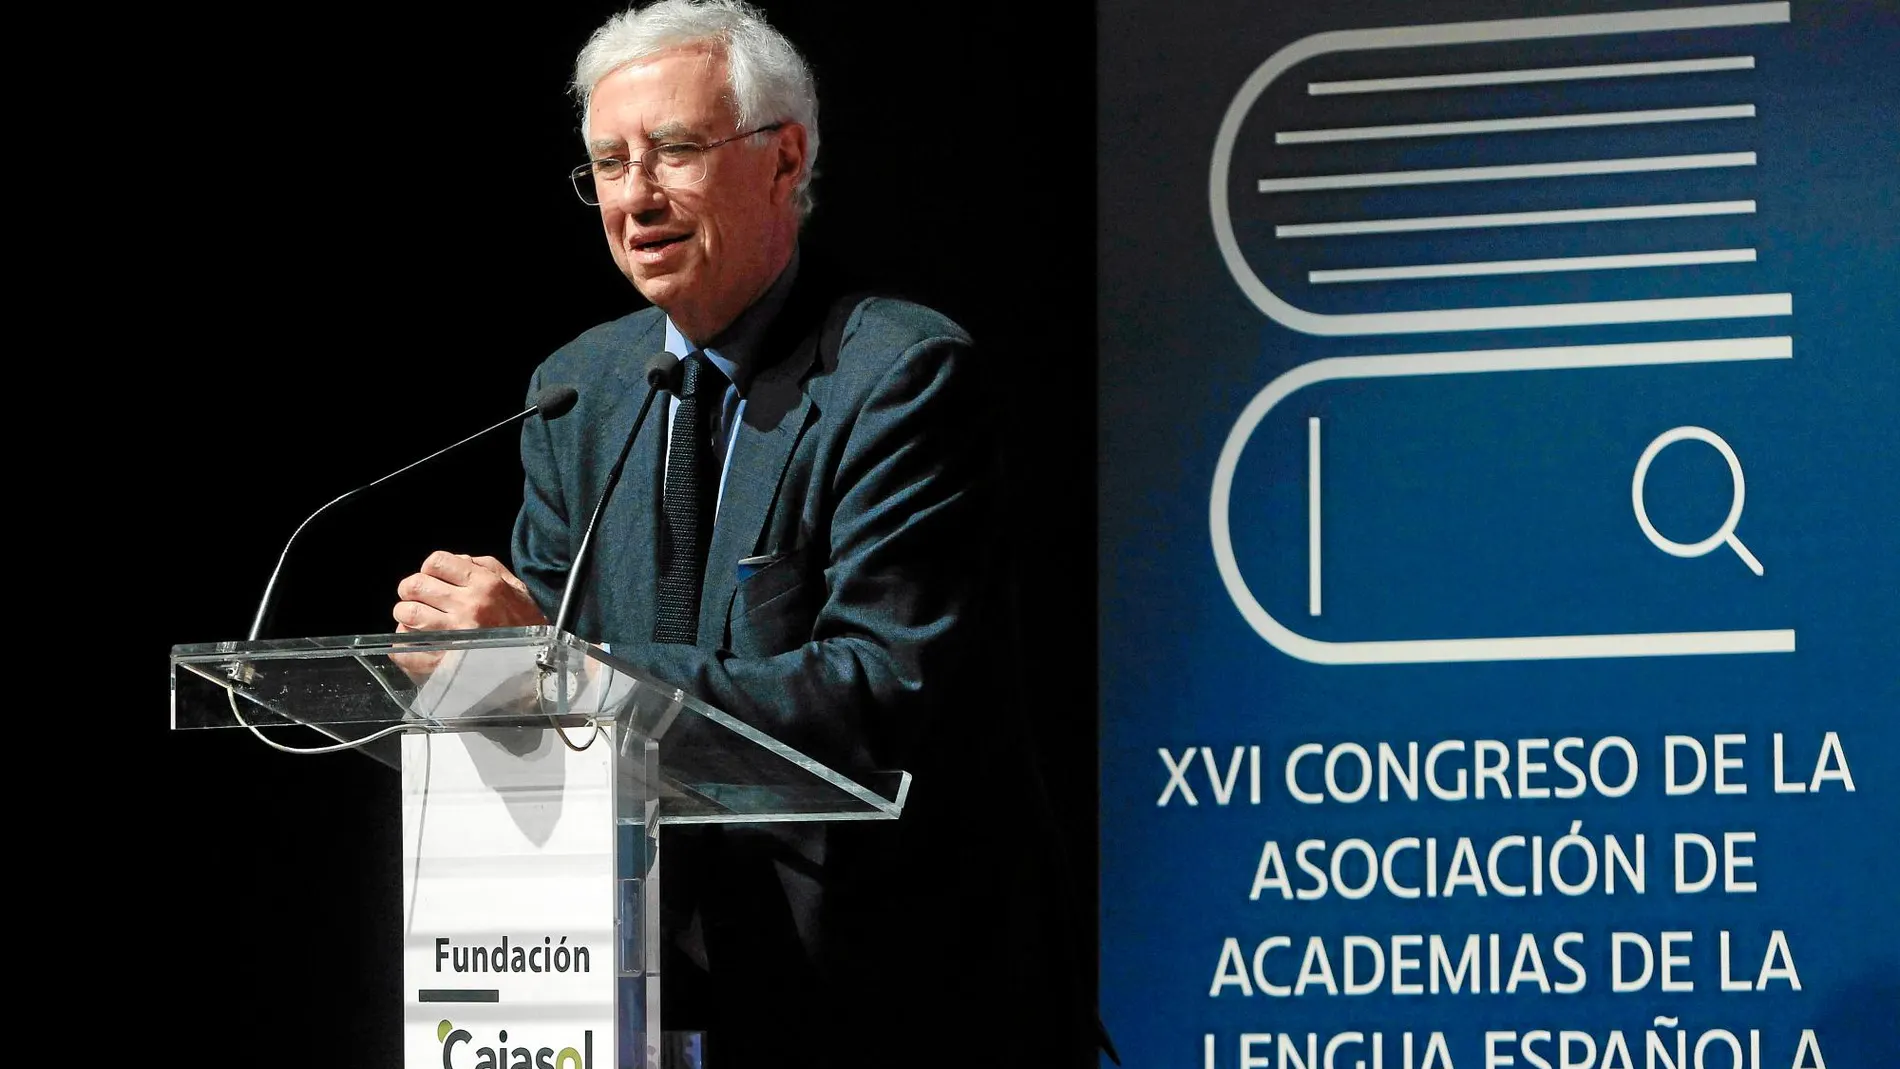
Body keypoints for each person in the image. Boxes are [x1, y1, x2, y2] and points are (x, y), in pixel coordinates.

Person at [391, 2, 1099, 1065]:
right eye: (609, 165)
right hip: (630, 992)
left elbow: (872, 695)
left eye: (673, 152)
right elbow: (539, 685)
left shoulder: (898, 377)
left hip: (889, 1001)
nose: (636, 198)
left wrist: (566, 668)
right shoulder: (575, 391)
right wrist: (476, 670)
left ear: (785, 159)